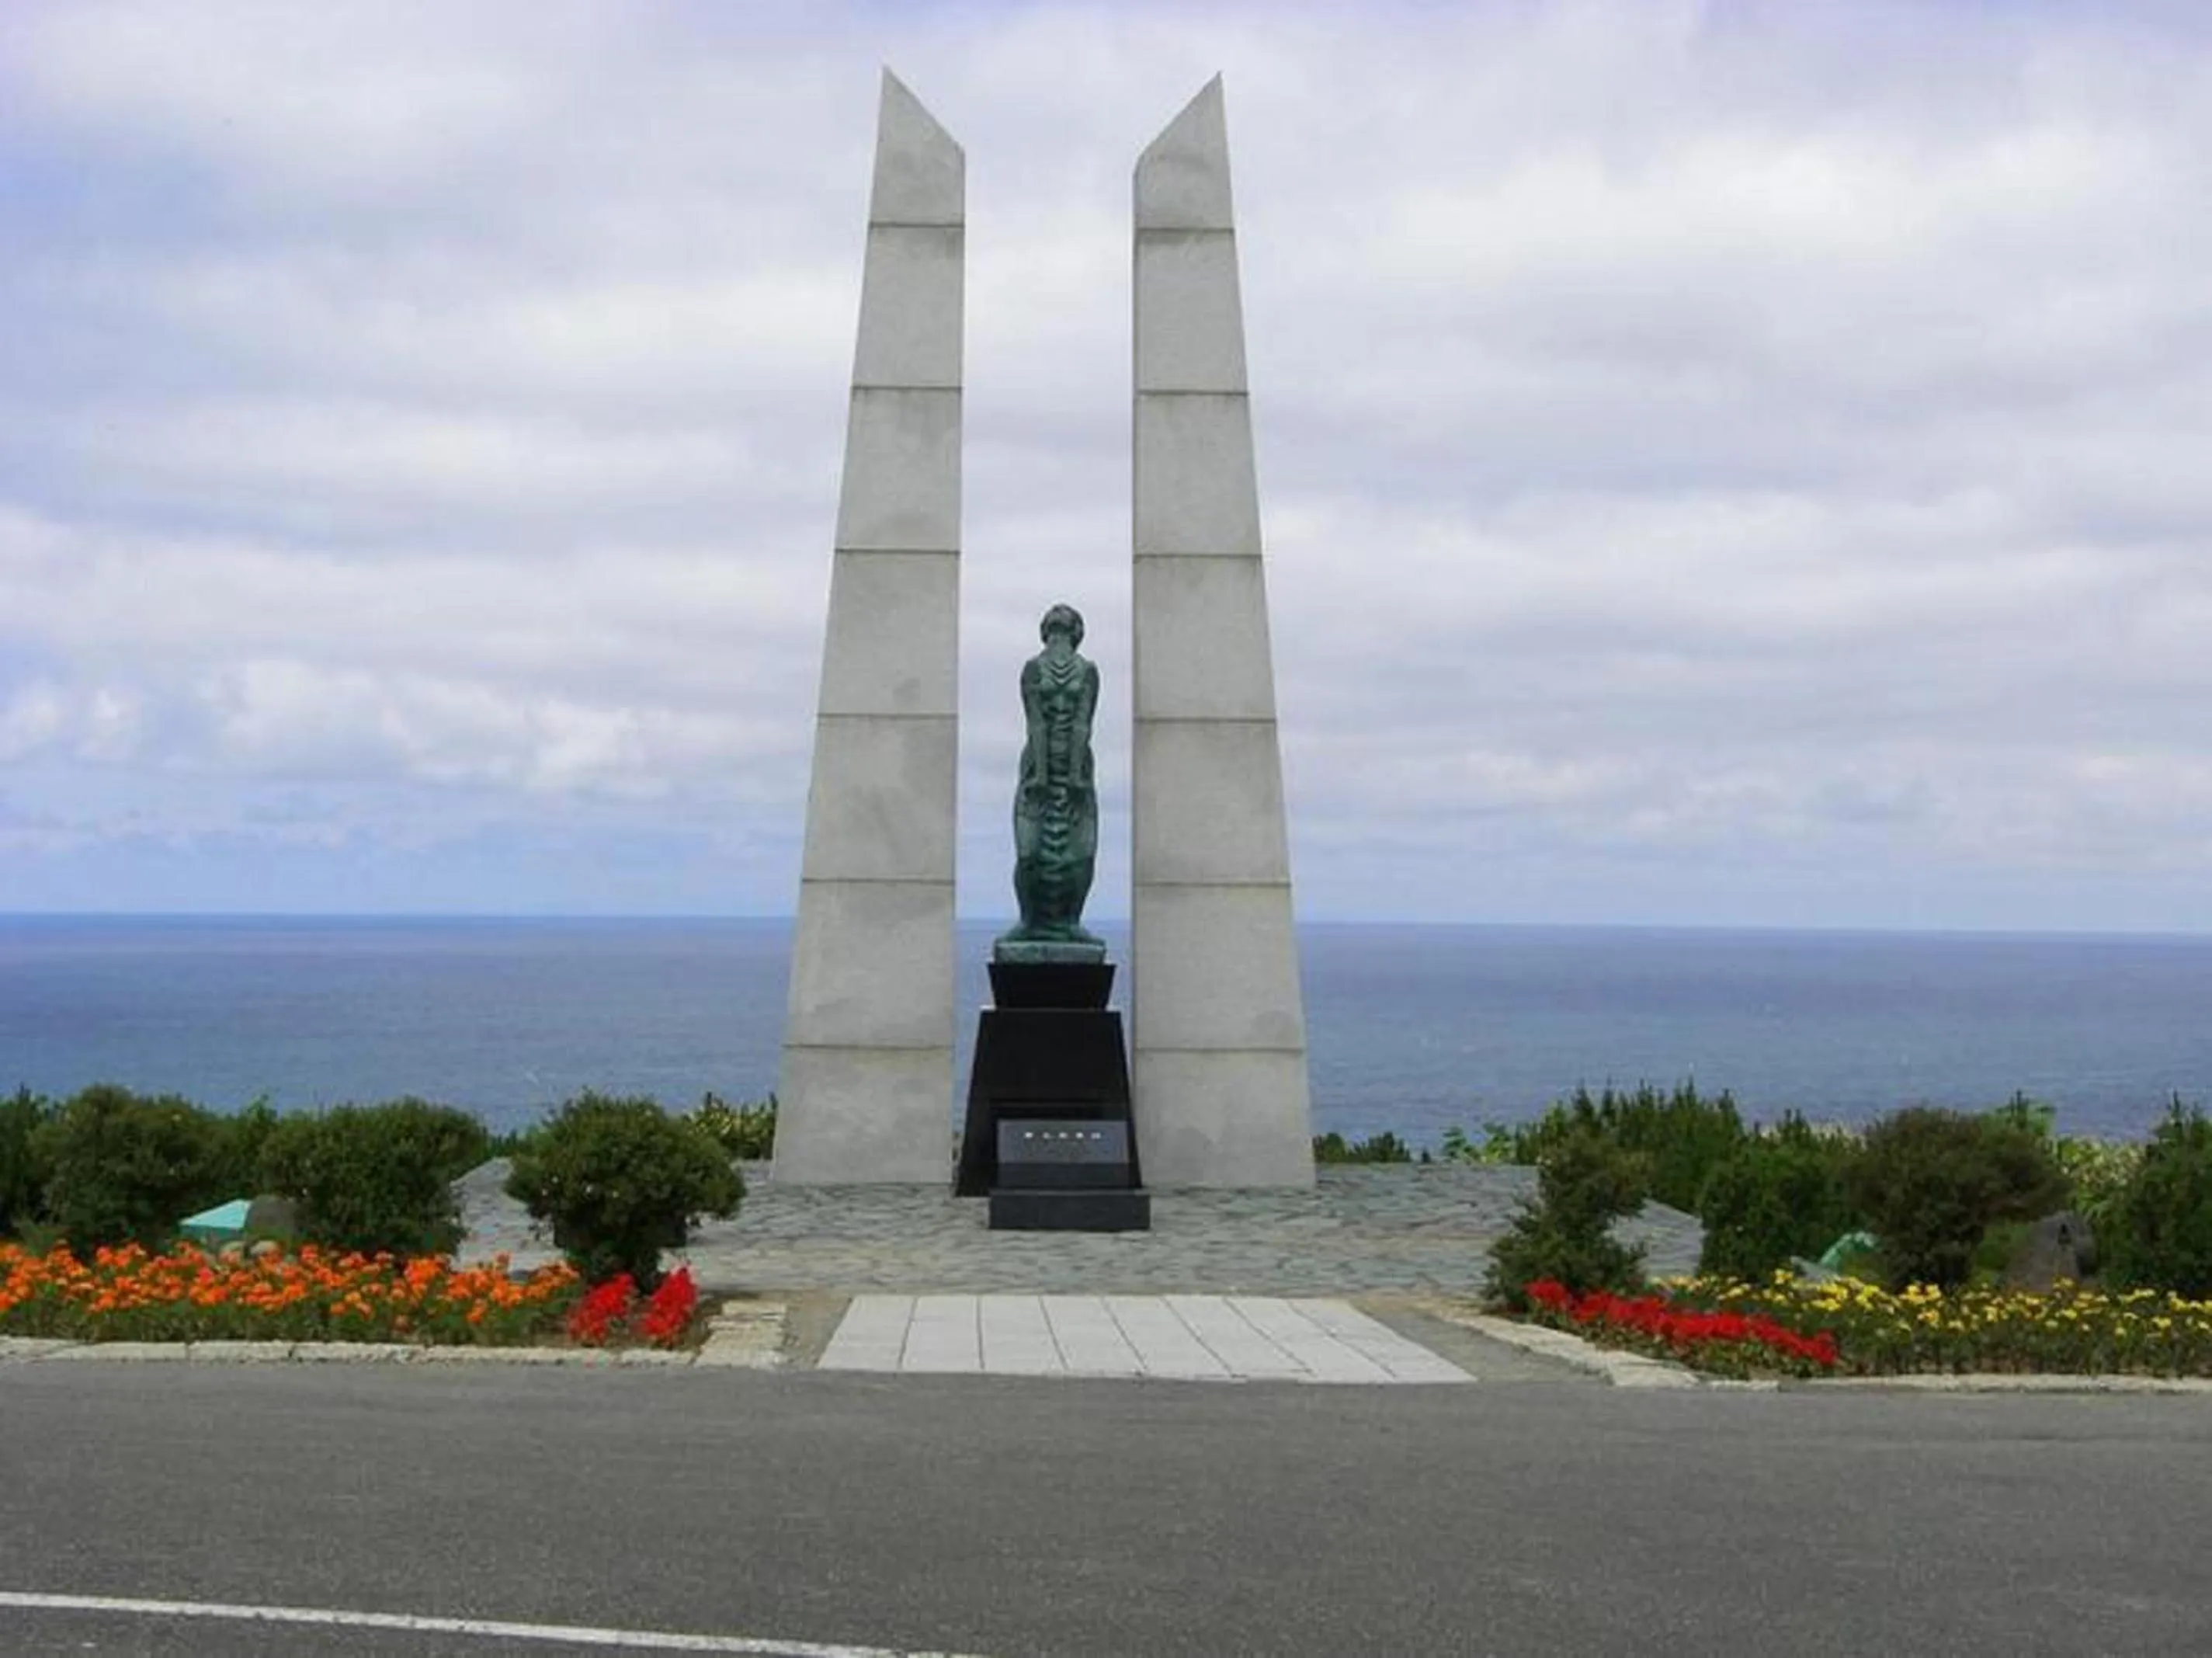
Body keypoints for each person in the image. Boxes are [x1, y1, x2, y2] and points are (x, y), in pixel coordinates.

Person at [1001, 603, 1102, 946]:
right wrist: (1041, 776)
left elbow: (1082, 723)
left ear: (1075, 632)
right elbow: (1036, 723)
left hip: (1077, 769)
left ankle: (1071, 922)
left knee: (1081, 854)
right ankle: (1030, 921)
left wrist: (1075, 776)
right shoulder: (1033, 669)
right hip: (1037, 767)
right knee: (1029, 854)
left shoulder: (1088, 671)